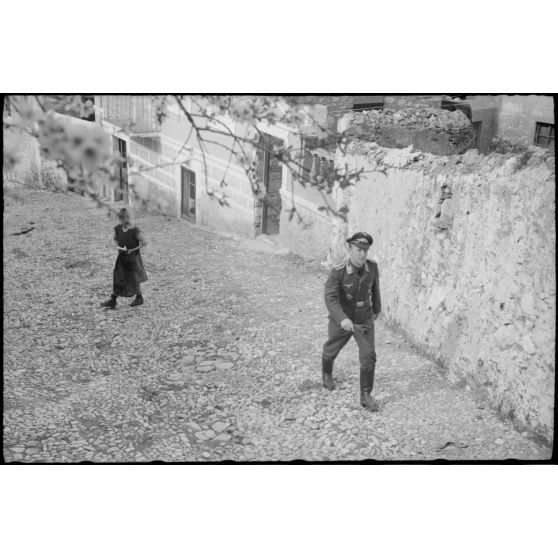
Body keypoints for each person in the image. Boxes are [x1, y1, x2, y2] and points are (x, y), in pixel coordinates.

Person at [322, 232, 381, 410]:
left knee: (368, 355)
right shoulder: (338, 271)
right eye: (359, 250)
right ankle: (326, 373)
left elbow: (375, 289)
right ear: (350, 249)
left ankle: (365, 394)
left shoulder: (371, 268)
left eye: (366, 250)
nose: (363, 254)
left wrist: (377, 308)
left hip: (364, 318)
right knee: (332, 347)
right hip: (342, 318)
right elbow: (330, 298)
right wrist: (342, 319)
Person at [100, 207, 148, 309]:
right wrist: (118, 246)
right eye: (123, 218)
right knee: (118, 276)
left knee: (134, 278)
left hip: (133, 258)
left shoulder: (135, 230)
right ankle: (113, 300)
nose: (125, 220)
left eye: (127, 218)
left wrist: (133, 249)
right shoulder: (118, 228)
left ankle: (139, 298)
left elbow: (144, 242)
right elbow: (115, 238)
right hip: (122, 256)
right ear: (120, 219)